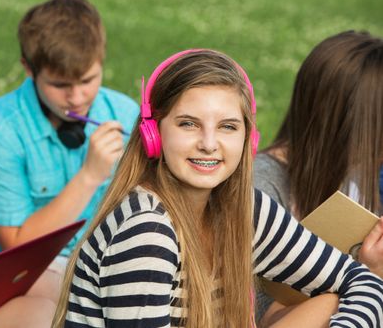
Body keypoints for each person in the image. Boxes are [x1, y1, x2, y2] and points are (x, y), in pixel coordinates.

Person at [53, 49, 383, 327]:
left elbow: (363, 281)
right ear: (154, 135)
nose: (209, 144)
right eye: (188, 124)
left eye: (227, 127)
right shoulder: (146, 233)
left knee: (334, 301)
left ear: (248, 140)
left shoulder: (246, 210)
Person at [0, 0, 138, 326]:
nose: (77, 97)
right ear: (29, 69)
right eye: (60, 85)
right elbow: (17, 247)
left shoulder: (125, 113)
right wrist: (89, 176)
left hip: (95, 260)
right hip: (19, 271)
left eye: (88, 80)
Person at [253, 30, 383, 325]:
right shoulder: (261, 190)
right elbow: (261, 318)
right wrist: (368, 279)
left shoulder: (361, 175)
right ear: (347, 125)